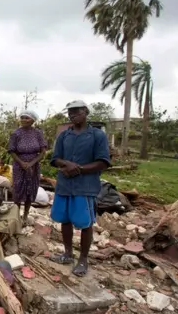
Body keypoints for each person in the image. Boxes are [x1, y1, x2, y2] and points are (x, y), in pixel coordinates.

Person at [50, 100, 110, 277]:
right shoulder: (64, 136)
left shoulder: (97, 136)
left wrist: (79, 169)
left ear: (85, 112)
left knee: (85, 223)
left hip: (85, 186)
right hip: (64, 184)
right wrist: (66, 164)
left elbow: (103, 162)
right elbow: (55, 159)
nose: (72, 115)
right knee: (65, 220)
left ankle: (83, 259)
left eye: (76, 112)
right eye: (70, 112)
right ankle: (67, 253)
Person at [7, 110, 47, 223]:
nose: (24, 120)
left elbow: (43, 151)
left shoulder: (38, 133)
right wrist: (22, 163)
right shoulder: (16, 134)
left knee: (30, 189)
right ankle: (16, 215)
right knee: (18, 189)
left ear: (33, 120)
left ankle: (25, 215)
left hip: (33, 166)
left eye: (27, 118)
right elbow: (11, 151)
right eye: (22, 117)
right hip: (19, 165)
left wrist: (31, 163)